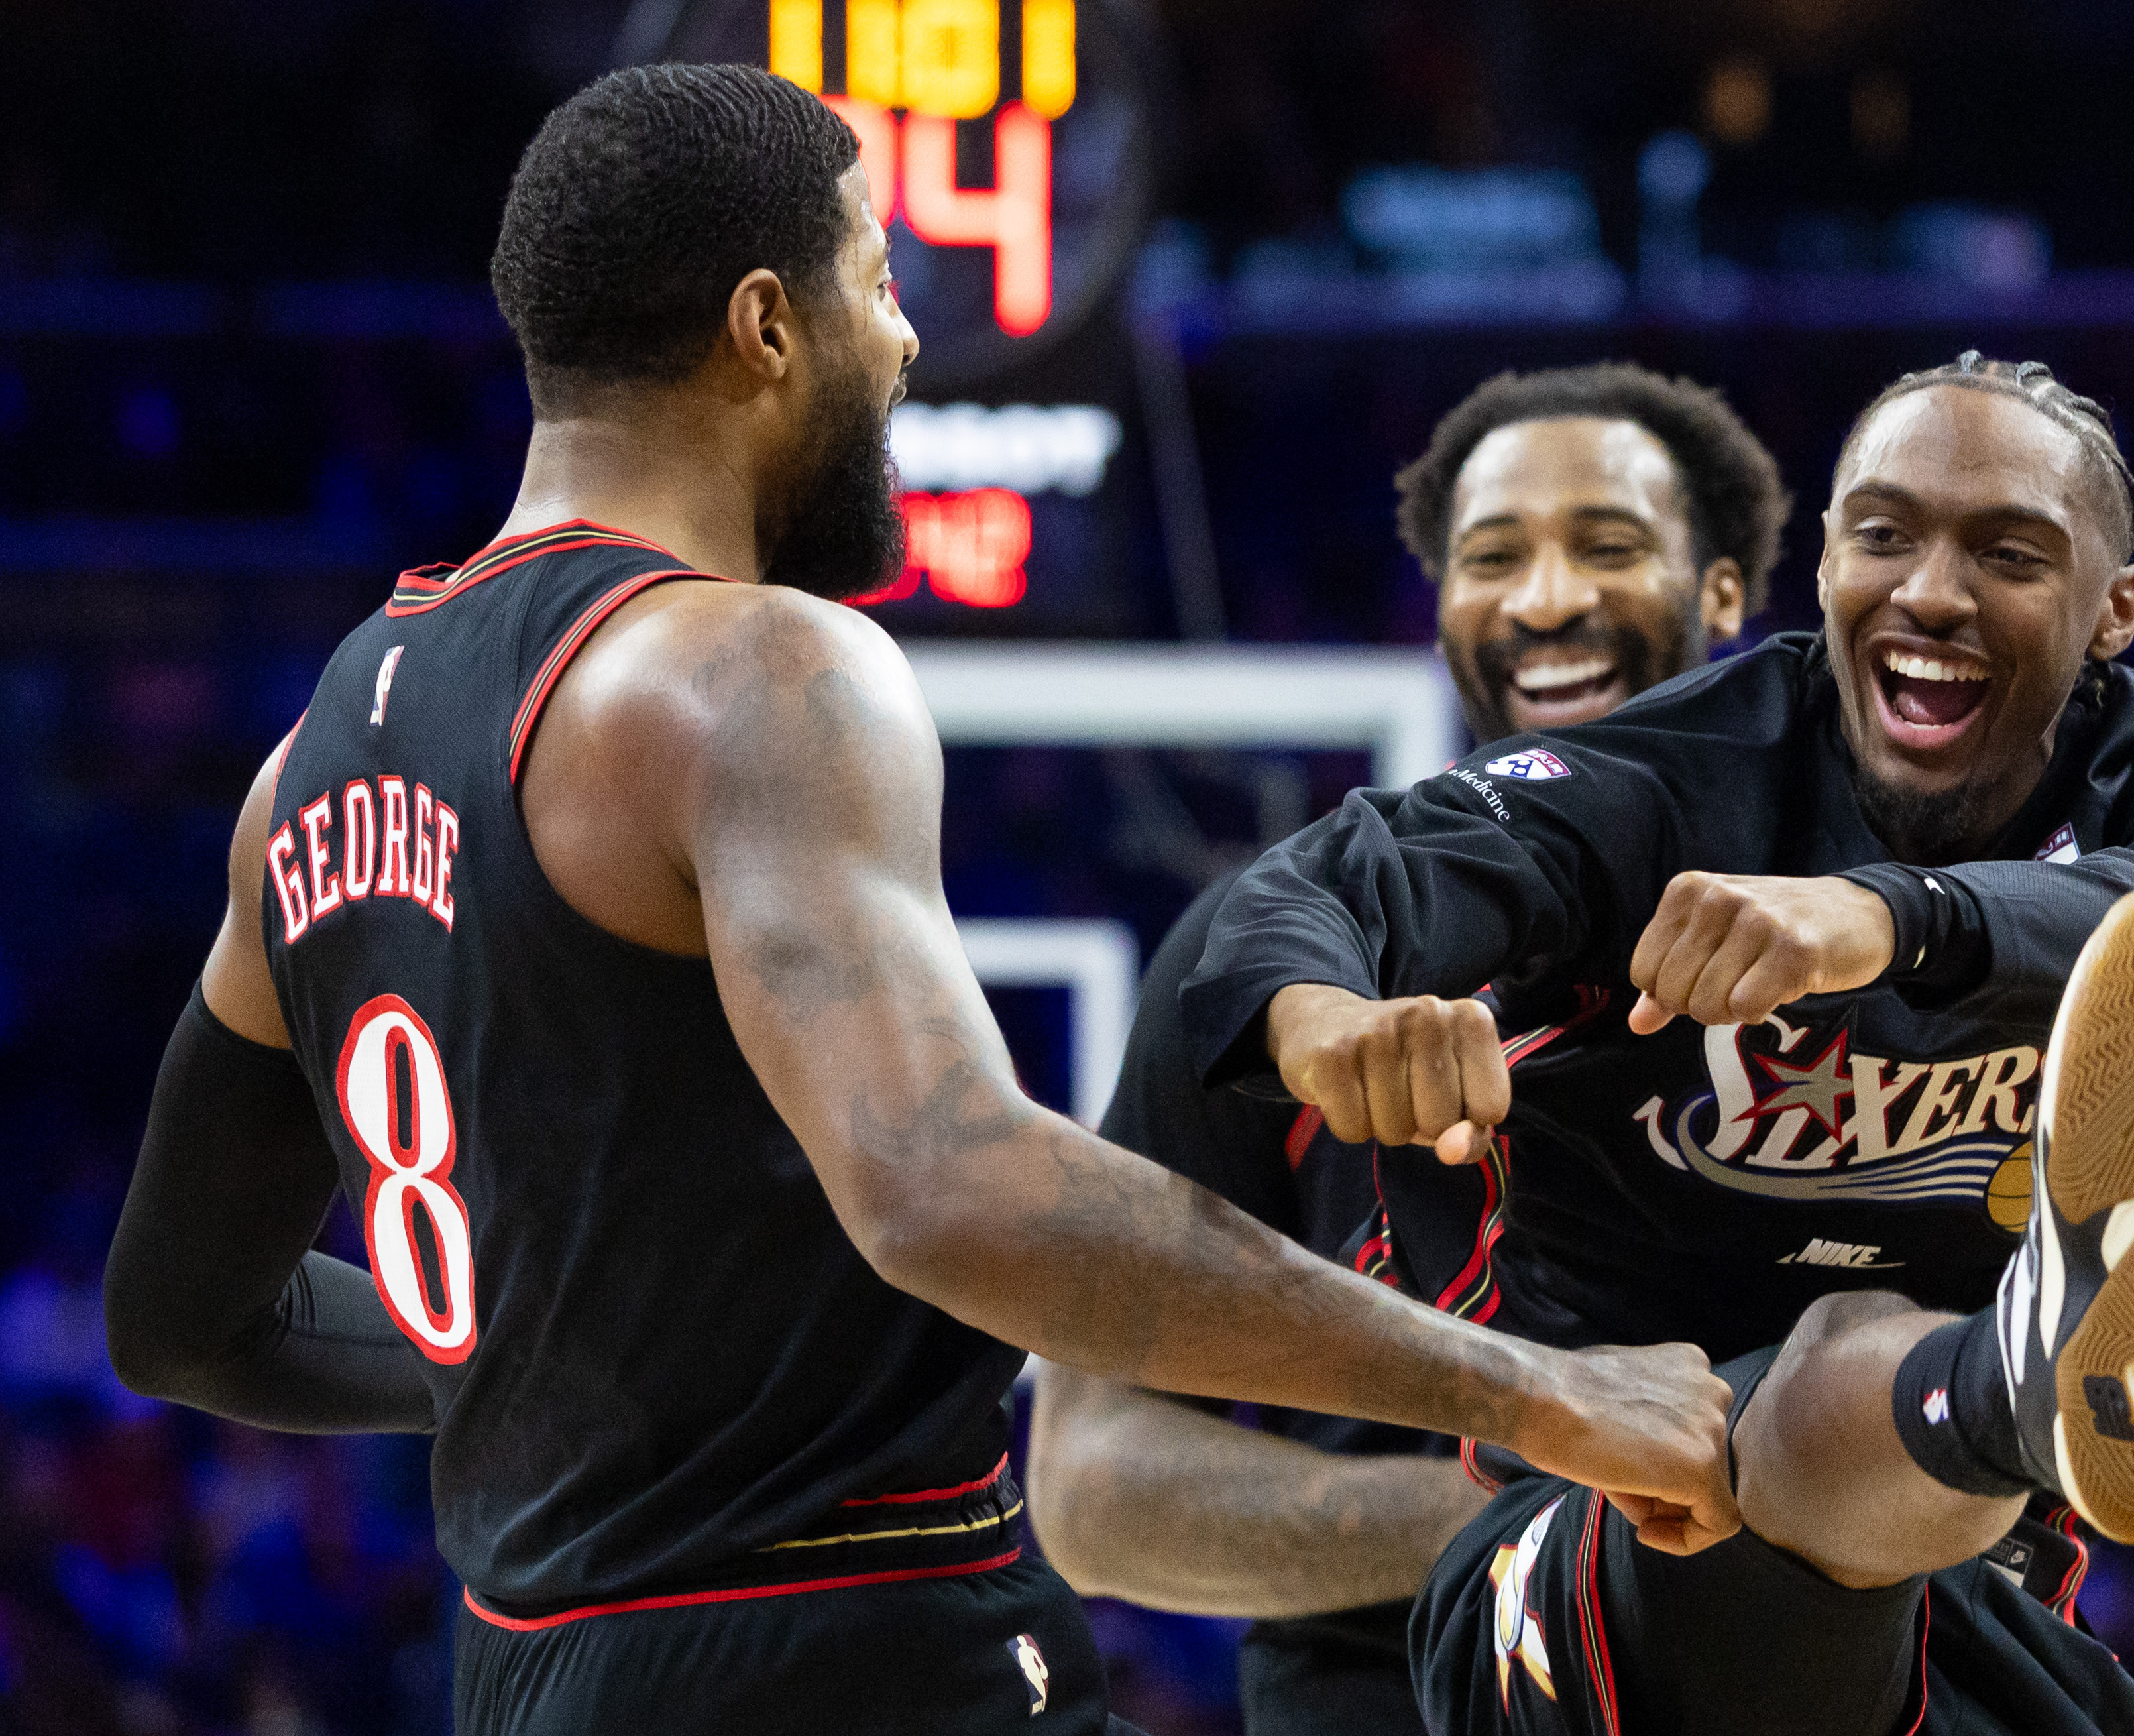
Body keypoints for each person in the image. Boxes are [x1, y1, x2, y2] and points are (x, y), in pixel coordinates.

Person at [95, 66, 1740, 1736]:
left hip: (530, 1669)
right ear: (764, 324)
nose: (903, 339)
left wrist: (504, 1346)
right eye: (879, 279)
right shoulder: (750, 668)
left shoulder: (303, 767)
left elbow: (181, 1319)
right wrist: (1534, 1392)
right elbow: (953, 1188)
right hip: (852, 1648)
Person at [1177, 352, 2134, 1735]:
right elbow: (1328, 877)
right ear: (1819, 569)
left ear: (2115, 612)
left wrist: (1887, 917)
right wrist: (1328, 1022)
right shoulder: (1667, 783)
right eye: (1883, 533)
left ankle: (2021, 1376)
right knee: (1829, 1360)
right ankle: (2024, 1369)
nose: (1927, 589)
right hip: (1581, 1552)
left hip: (1961, 1582)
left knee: (1879, 1409)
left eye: (2004, 551)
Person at [1027, 363, 1791, 1736]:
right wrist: (1558, 1480)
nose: (1545, 597)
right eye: (1491, 557)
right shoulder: (1273, 952)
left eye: (1606, 545)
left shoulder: (1842, 933)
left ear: (1723, 592)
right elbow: (1088, 1482)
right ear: (1440, 608)